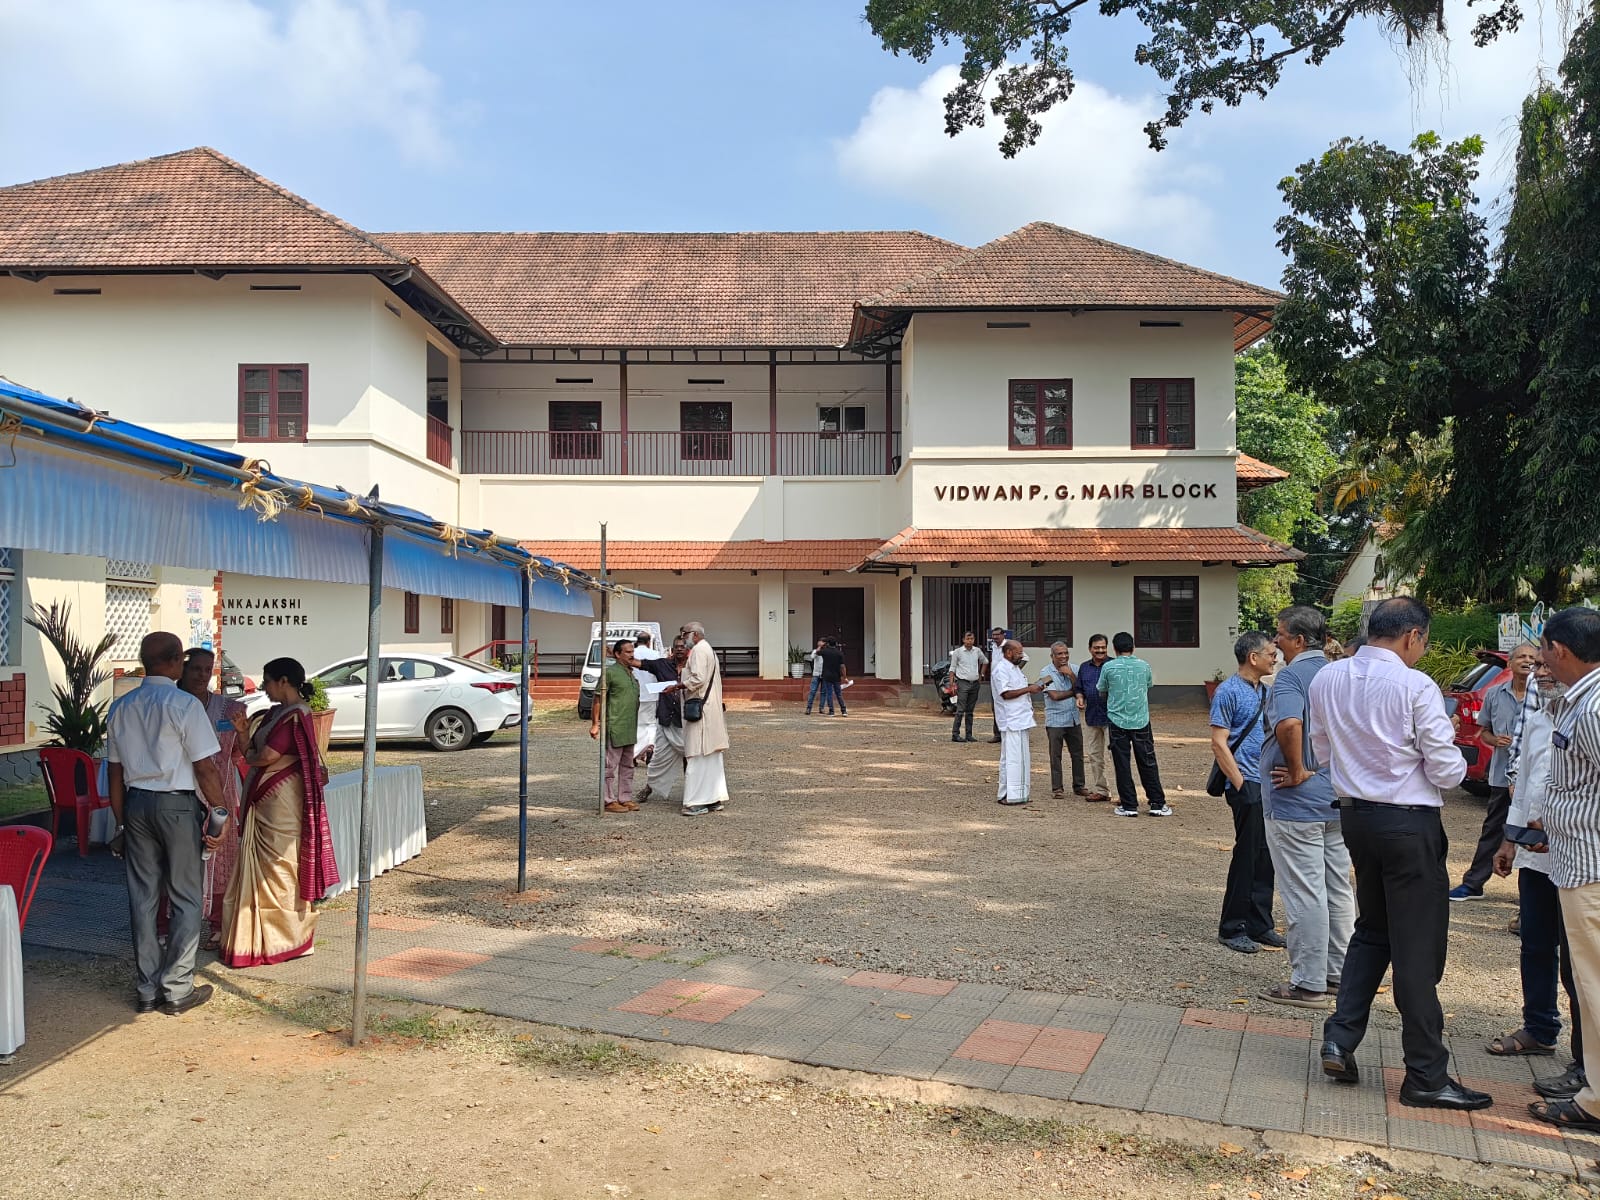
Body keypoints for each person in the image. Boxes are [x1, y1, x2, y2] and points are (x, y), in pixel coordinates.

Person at [1312, 597, 1489, 1110]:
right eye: (1424, 643)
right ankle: (1426, 1073)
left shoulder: (1328, 677)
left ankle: (1340, 1038)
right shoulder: (1415, 685)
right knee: (1416, 946)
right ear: (1413, 636)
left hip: (1356, 817)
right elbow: (1447, 772)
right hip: (1407, 822)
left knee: (1373, 928)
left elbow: (1321, 750)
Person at [105, 632, 228, 1014]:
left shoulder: (121, 707)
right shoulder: (184, 704)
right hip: (176, 805)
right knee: (185, 897)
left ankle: (146, 988)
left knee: (142, 898)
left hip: (136, 804)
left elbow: (114, 774)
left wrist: (121, 824)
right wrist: (221, 812)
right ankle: (176, 988)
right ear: (176, 661)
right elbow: (205, 768)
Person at [1487, 652, 1583, 1077]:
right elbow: (1524, 782)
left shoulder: (1588, 715)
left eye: (1547, 665)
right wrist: (1510, 840)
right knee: (1536, 942)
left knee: (1579, 959)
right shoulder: (1540, 715)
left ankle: (1586, 1059)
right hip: (1535, 853)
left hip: (1579, 856)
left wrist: (1555, 827)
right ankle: (1540, 1028)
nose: (1538, 673)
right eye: (1535, 666)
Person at [1526, 607, 1600, 1131]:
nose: (1542, 662)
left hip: (1592, 869)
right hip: (1577, 862)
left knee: (1594, 989)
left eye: (1544, 651)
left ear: (1562, 650)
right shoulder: (1582, 699)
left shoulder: (1593, 707)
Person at [1260, 605, 1354, 1009]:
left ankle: (1309, 983)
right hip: (1337, 797)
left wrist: (1297, 770)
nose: (1275, 641)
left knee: (1305, 892)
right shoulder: (1341, 674)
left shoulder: (1291, 677)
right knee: (1337, 888)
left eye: (1280, 634)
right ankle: (1339, 974)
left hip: (1296, 805)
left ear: (1299, 640)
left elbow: (1289, 724)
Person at [219, 657, 339, 971]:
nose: (264, 688)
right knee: (262, 866)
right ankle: (253, 939)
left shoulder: (297, 714)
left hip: (281, 801)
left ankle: (283, 938)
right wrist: (243, 734)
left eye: (267, 682)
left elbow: (267, 756)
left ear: (283, 681)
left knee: (279, 866)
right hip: (265, 799)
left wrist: (253, 753)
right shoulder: (274, 713)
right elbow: (251, 752)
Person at [1210, 631, 1281, 954]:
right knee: (1247, 854)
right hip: (1246, 783)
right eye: (1270, 654)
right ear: (1253, 657)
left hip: (1266, 782)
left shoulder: (1266, 691)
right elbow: (1219, 742)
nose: (1275, 658)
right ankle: (1232, 926)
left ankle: (1260, 923)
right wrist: (1240, 783)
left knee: (1266, 855)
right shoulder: (1228, 691)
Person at [1452, 642, 1539, 901]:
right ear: (1510, 663)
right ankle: (1473, 884)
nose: (1527, 661)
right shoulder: (1494, 694)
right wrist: (1495, 740)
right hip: (1503, 774)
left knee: (1536, 831)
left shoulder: (1546, 694)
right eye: (1521, 657)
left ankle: (1531, 896)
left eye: (1532, 657)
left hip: (1534, 777)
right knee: (1493, 829)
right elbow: (1484, 732)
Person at [179, 647, 248, 946]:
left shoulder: (229, 709)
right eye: (196, 668)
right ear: (182, 669)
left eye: (208, 670)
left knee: (221, 859)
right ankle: (172, 924)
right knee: (179, 858)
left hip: (219, 793)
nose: (202, 675)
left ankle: (218, 923)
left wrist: (242, 732)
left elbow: (241, 753)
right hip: (181, 792)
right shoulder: (172, 704)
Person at [1099, 632, 1169, 817]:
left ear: (1114, 648)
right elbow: (1148, 685)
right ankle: (1157, 803)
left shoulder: (1108, 667)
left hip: (1117, 720)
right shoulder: (1144, 666)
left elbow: (1102, 689)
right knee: (1147, 762)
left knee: (1122, 763)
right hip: (1140, 720)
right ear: (1133, 647)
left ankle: (1129, 805)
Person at [679, 620, 730, 816]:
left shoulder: (699, 650)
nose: (683, 638)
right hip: (709, 710)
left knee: (697, 755)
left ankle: (696, 801)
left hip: (702, 712)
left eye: (685, 634)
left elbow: (698, 678)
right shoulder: (708, 649)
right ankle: (713, 798)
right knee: (710, 757)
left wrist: (679, 685)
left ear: (695, 634)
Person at [590, 639, 641, 813]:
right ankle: (608, 800)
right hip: (614, 725)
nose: (632, 655)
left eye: (632, 651)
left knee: (628, 765)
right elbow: (598, 698)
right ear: (618, 654)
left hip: (630, 726)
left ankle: (625, 798)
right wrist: (595, 723)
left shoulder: (631, 673)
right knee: (609, 766)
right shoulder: (610, 673)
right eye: (628, 652)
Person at [637, 636, 689, 805]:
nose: (679, 649)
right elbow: (640, 664)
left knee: (690, 757)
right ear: (672, 649)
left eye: (682, 646)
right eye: (677, 646)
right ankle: (649, 788)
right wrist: (618, 656)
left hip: (687, 721)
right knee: (658, 758)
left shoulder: (694, 667)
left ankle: (691, 792)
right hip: (666, 719)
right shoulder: (663, 665)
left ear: (688, 649)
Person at [991, 639, 1043, 805]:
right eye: (1019, 652)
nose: (1021, 655)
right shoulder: (1001, 669)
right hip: (1012, 720)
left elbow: (1018, 687)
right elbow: (1005, 694)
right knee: (1014, 760)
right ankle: (1012, 795)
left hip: (1021, 719)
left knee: (1019, 758)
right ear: (1008, 653)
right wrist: (1029, 689)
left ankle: (1014, 793)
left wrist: (1033, 686)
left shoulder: (1014, 668)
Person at [1040, 642, 1085, 799]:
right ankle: (1057, 788)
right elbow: (1054, 696)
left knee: (1078, 754)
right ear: (1052, 656)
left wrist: (1071, 675)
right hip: (1055, 721)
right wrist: (1074, 691)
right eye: (1059, 653)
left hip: (1073, 719)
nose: (1064, 656)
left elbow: (1082, 688)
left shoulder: (1075, 669)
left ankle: (1079, 786)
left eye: (1066, 653)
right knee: (1056, 756)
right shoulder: (1045, 672)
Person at [1076, 635, 1112, 801]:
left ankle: (1123, 793)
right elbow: (1079, 688)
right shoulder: (1084, 667)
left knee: (1116, 756)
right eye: (1097, 648)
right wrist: (1080, 697)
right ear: (1090, 649)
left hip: (1112, 718)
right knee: (1094, 756)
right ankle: (1102, 790)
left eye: (1103, 647)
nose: (1100, 650)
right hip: (1091, 717)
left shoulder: (1113, 666)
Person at [948, 631, 989, 743]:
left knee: (970, 710)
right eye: (968, 639)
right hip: (963, 683)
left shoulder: (977, 651)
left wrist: (981, 675)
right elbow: (952, 667)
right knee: (960, 709)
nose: (970, 641)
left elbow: (985, 661)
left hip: (974, 683)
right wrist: (952, 683)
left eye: (972, 639)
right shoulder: (958, 652)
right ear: (963, 640)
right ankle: (955, 734)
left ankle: (969, 734)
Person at [987, 627, 1009, 743]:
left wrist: (1012, 671)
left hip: (1005, 682)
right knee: (995, 706)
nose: (995, 637)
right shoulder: (994, 646)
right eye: (993, 635)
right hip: (994, 682)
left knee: (1006, 707)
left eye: (997, 635)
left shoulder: (1008, 646)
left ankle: (1008, 732)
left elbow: (1024, 658)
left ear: (1003, 635)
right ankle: (997, 734)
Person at [818, 638, 849, 716]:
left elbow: (817, 652)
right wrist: (845, 677)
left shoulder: (825, 651)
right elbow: (842, 666)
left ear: (828, 644)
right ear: (835, 644)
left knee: (829, 693)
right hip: (836, 675)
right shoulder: (839, 653)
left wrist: (821, 646)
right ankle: (843, 710)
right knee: (839, 694)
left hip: (827, 675)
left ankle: (831, 711)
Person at [803, 637, 826, 715]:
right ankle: (808, 708)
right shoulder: (815, 651)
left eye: (822, 642)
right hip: (816, 674)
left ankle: (821, 708)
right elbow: (812, 657)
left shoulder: (826, 652)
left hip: (824, 674)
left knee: (823, 692)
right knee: (812, 691)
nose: (821, 643)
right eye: (819, 642)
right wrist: (819, 647)